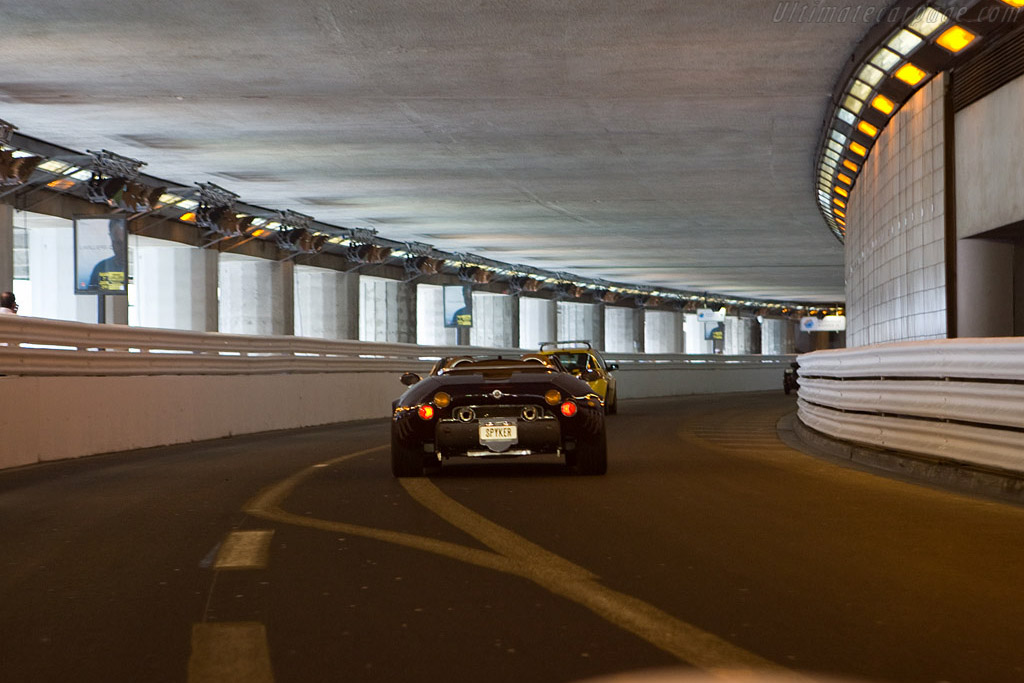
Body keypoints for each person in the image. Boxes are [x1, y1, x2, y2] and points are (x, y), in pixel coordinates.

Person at [88, 220, 128, 292]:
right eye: (118, 243)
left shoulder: (141, 265)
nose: (122, 248)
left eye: (125, 243)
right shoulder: (100, 268)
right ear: (111, 241)